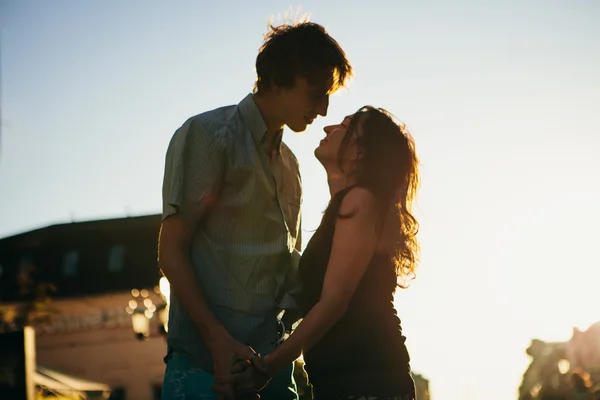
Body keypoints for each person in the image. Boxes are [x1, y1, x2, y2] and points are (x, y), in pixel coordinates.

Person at [157, 20, 352, 400]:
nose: (324, 109)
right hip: (205, 372)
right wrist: (218, 342)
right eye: (316, 94)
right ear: (279, 79)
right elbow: (171, 250)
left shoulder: (292, 166)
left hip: (272, 375)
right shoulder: (209, 135)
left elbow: (286, 273)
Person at [222, 106, 420, 400]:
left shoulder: (360, 201)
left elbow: (334, 301)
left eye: (344, 126)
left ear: (360, 151)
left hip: (367, 379)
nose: (328, 128)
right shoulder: (349, 204)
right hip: (347, 379)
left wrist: (266, 367)